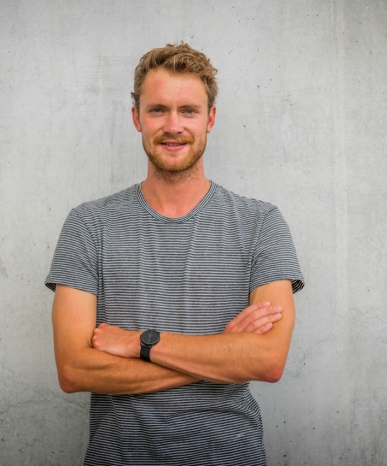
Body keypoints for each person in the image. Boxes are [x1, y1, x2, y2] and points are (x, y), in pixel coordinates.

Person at [46, 42, 304, 466]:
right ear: (136, 118)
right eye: (158, 110)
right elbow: (74, 370)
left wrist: (139, 343)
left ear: (210, 118)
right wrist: (222, 352)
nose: (173, 125)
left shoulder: (261, 223)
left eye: (188, 110)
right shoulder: (89, 225)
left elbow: (268, 360)